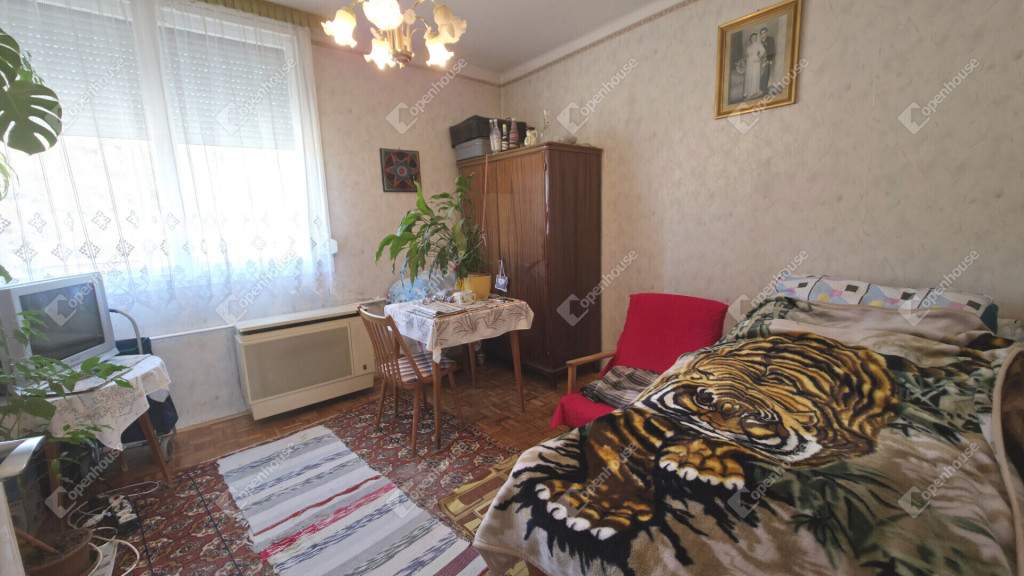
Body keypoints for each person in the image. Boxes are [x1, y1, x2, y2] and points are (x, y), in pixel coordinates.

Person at [743, 32, 764, 99]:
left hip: (755, 61)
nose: (754, 38)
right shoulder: (749, 46)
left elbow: (762, 51)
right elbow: (747, 55)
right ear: (750, 38)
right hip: (749, 62)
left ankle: (753, 91)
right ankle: (747, 92)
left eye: (755, 37)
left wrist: (758, 58)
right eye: (752, 37)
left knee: (754, 76)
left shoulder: (758, 44)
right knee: (748, 76)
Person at [759, 27, 776, 95]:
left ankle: (764, 89)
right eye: (761, 33)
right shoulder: (759, 42)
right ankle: (760, 88)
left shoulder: (770, 39)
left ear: (766, 33)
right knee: (760, 74)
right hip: (760, 60)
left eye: (764, 32)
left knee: (766, 73)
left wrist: (768, 60)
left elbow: (772, 50)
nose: (763, 34)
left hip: (767, 59)